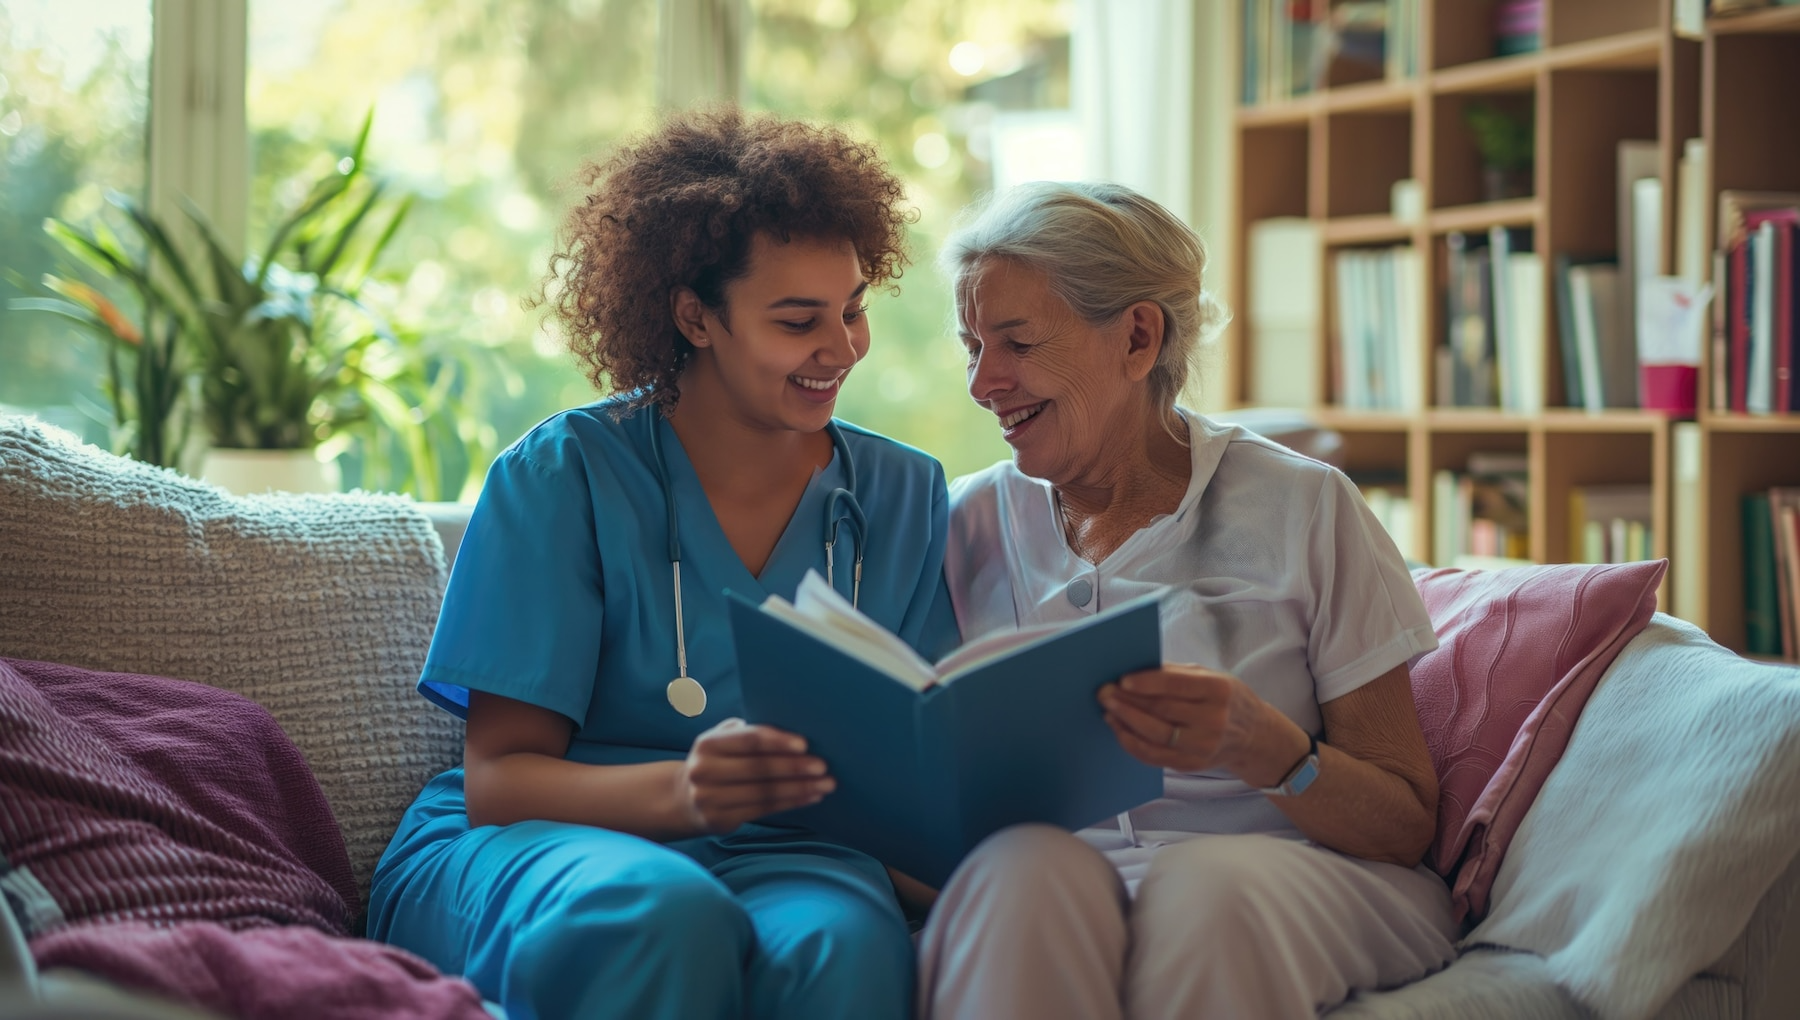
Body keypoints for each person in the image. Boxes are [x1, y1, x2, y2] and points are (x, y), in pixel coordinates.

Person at [367, 108, 960, 1020]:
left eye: (852, 310)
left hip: (792, 852)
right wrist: (689, 791)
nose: (841, 350)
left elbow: (911, 780)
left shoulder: (901, 493)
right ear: (695, 316)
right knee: (661, 914)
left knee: (840, 947)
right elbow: (501, 780)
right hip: (550, 838)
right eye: (799, 320)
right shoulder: (562, 475)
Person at [917, 181, 1456, 1020]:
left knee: (1202, 889)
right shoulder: (964, 521)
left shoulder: (1304, 506)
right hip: (1066, 872)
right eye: (971, 346)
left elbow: (1404, 822)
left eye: (1016, 342)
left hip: (1280, 869)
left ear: (1138, 336)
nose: (985, 383)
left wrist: (1268, 747)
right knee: (1016, 872)